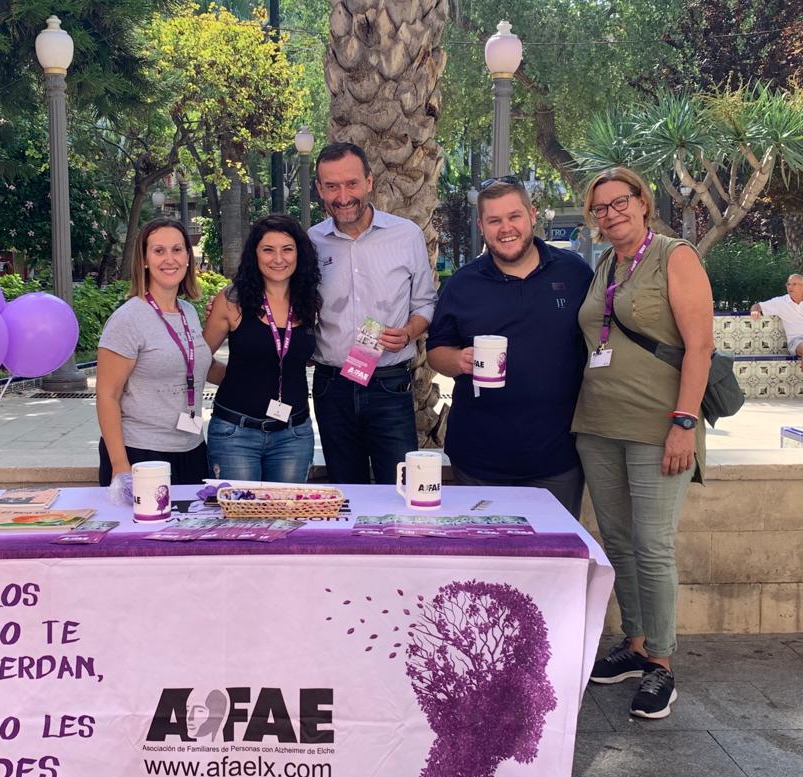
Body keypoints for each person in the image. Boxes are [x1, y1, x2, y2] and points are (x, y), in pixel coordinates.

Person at [572, 166, 714, 720]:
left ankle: (661, 663)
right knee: (619, 541)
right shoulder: (605, 264)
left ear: (642, 202)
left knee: (653, 545)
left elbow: (699, 347)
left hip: (659, 426)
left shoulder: (674, 256)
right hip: (598, 424)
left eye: (619, 202)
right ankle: (633, 645)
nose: (610, 214)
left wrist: (685, 422)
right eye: (600, 207)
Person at [426, 176, 593, 517]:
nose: (506, 229)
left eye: (514, 216)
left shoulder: (574, 273)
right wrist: (458, 359)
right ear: (481, 226)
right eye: (494, 220)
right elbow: (436, 352)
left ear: (532, 215)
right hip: (479, 460)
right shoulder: (462, 284)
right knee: (486, 550)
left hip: (558, 458)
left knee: (555, 550)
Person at [308, 142, 438, 484]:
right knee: (345, 490)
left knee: (400, 487)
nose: (343, 196)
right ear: (319, 188)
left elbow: (425, 303)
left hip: (389, 384)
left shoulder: (406, 235)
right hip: (331, 386)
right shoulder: (310, 243)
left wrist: (409, 332)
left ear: (369, 182)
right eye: (332, 186)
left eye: (351, 184)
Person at [96, 218, 219, 490]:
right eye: (159, 251)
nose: (169, 259)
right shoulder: (128, 319)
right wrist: (120, 465)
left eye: (177, 250)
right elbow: (107, 396)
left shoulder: (188, 312)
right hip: (142, 453)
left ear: (188, 257)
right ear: (144, 260)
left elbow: (198, 366)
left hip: (192, 448)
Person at [202, 214, 321, 482]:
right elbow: (198, 359)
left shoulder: (311, 301)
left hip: (293, 435)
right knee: (239, 510)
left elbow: (310, 354)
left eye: (287, 249)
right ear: (254, 254)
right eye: (268, 250)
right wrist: (238, 378)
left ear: (299, 254)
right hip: (236, 433)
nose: (278, 259)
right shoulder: (232, 301)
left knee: (287, 509)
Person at [750, 275, 803, 358]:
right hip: (796, 341)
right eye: (788, 284)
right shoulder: (781, 302)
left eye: (794, 284)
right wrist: (754, 311)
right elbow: (758, 306)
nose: (790, 287)